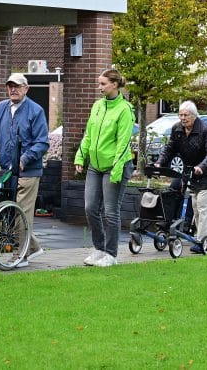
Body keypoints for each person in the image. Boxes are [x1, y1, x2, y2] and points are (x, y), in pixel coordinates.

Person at [0, 73, 49, 268]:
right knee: (12, 212)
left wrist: (24, 159)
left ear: (26, 88)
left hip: (28, 172)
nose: (13, 89)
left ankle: (21, 255)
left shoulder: (35, 111)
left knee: (21, 212)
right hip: (7, 172)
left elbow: (42, 143)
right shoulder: (1, 108)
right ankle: (33, 247)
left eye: (17, 86)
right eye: (10, 86)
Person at [75, 69, 135, 267]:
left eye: (103, 84)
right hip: (95, 166)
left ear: (114, 85)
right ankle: (99, 248)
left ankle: (111, 254)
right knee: (90, 208)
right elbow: (88, 134)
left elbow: (123, 143)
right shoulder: (98, 106)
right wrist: (80, 156)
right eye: (99, 83)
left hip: (116, 166)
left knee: (110, 212)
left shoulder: (125, 110)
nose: (99, 87)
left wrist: (116, 171)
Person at [155, 101, 207, 254]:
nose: (183, 118)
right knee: (195, 205)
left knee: (202, 206)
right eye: (180, 115)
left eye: (186, 115)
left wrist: (202, 166)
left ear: (194, 115)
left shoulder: (204, 130)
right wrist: (159, 162)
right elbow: (170, 149)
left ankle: (202, 240)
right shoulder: (177, 129)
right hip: (191, 171)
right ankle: (201, 236)